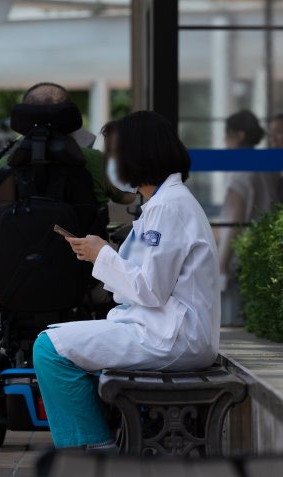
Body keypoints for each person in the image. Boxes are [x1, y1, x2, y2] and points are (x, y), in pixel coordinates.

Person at [32, 111, 219, 452]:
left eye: (115, 154)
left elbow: (150, 289)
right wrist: (104, 255)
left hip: (170, 336)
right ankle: (101, 443)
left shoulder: (168, 207)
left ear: (139, 154)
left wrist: (101, 253)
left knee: (49, 348)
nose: (112, 163)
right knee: (67, 351)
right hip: (167, 330)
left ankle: (94, 454)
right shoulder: (164, 204)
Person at [0, 82, 135, 208]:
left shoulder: (8, 162)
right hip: (84, 249)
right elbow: (127, 197)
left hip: (19, 248)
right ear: (68, 114)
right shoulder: (96, 160)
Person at [218, 110, 280, 326]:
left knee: (235, 321)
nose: (225, 142)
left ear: (239, 135)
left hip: (243, 257)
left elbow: (234, 222)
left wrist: (221, 263)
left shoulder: (239, 171)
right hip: (268, 254)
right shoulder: (269, 166)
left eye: (227, 136)